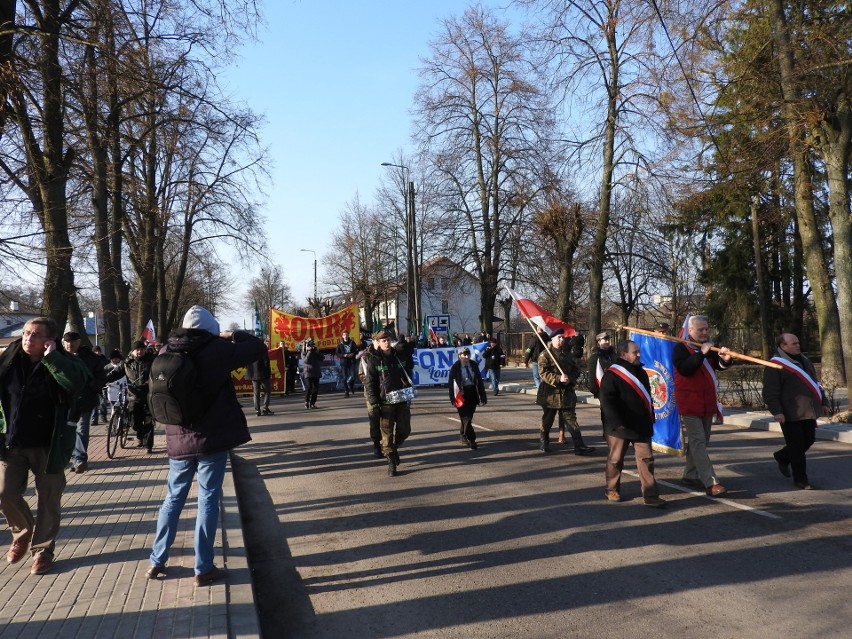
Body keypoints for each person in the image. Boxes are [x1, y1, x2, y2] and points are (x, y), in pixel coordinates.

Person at [146, 305, 266, 586]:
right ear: (211, 329)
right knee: (208, 499)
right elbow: (257, 347)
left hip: (177, 438)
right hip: (211, 438)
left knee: (173, 499)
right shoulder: (217, 349)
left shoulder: (166, 350)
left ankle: (157, 560)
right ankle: (203, 567)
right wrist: (233, 334)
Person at [0, 317, 89, 575]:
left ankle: (43, 551)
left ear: (49, 340)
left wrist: (52, 359)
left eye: (36, 335)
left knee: (48, 499)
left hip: (49, 444)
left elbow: (75, 384)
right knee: (5, 494)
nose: (28, 338)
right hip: (12, 441)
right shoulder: (9, 359)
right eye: (26, 333)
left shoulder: (64, 361)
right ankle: (23, 533)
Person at [599, 340, 666, 507]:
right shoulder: (612, 374)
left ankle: (650, 494)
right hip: (619, 426)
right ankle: (612, 488)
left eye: (638, 351)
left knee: (646, 459)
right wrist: (616, 423)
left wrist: (650, 416)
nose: (639, 354)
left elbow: (647, 398)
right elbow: (607, 401)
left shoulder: (641, 372)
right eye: (635, 352)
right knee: (615, 460)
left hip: (641, 424)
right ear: (623, 354)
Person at [673, 315, 733, 497]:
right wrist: (701, 354)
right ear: (690, 331)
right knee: (698, 441)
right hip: (689, 403)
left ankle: (690, 474)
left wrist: (726, 359)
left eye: (707, 329)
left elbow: (719, 366)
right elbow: (685, 369)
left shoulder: (710, 346)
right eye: (701, 330)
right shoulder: (680, 348)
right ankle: (711, 481)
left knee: (701, 441)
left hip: (707, 403)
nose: (705, 332)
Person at [762, 333, 828, 490]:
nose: (798, 345)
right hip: (789, 412)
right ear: (782, 346)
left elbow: (815, 383)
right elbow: (770, 392)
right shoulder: (775, 365)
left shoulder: (804, 360)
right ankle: (801, 479)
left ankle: (782, 456)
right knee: (797, 446)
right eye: (793, 343)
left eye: (798, 342)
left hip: (808, 410)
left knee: (809, 439)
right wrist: (777, 411)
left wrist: (823, 402)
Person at [536, 328, 595, 455]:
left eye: (563, 337)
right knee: (547, 420)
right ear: (552, 339)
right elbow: (543, 373)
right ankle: (544, 442)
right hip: (551, 395)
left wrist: (571, 379)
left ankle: (579, 446)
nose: (562, 339)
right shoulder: (545, 354)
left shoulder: (567, 354)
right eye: (559, 337)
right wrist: (558, 378)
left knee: (571, 419)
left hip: (566, 393)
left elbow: (576, 370)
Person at [364, 329, 413, 476]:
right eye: (383, 341)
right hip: (385, 402)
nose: (386, 343)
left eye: (388, 340)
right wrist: (374, 402)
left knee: (405, 430)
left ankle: (394, 448)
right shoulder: (373, 360)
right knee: (386, 434)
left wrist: (406, 347)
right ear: (378, 343)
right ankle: (391, 461)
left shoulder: (398, 355)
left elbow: (409, 365)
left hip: (401, 398)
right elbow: (370, 384)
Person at [62, 331, 107, 473]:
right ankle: (68, 457)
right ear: (64, 343)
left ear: (79, 342)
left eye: (73, 341)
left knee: (82, 430)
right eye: (67, 341)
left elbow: (101, 377)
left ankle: (80, 459)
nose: (70, 344)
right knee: (66, 431)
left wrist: (90, 387)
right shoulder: (59, 357)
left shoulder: (91, 358)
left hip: (85, 400)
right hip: (64, 402)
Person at [106, 339, 156, 452]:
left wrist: (147, 385)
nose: (139, 351)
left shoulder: (151, 361)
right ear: (132, 351)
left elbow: (155, 376)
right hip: (133, 396)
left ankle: (148, 445)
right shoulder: (127, 363)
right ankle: (140, 435)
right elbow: (116, 373)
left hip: (148, 395)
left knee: (149, 421)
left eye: (141, 349)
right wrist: (105, 379)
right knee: (134, 422)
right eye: (137, 349)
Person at [447, 346, 487, 449]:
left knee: (468, 416)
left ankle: (462, 434)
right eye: (464, 355)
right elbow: (451, 384)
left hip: (472, 393)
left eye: (468, 354)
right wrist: (452, 398)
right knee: (466, 417)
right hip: (461, 395)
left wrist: (483, 396)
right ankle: (472, 439)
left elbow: (479, 381)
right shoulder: (455, 367)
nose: (466, 356)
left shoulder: (474, 365)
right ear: (459, 356)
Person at [358, 340, 383, 458]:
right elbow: (361, 374)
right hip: (371, 393)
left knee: (388, 419)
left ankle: (388, 444)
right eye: (379, 340)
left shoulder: (387, 354)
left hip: (386, 392)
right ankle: (376, 445)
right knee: (374, 419)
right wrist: (372, 384)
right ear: (374, 341)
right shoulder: (366, 356)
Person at [587, 332, 617, 400]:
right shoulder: (595, 357)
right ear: (599, 342)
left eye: (608, 340)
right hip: (603, 390)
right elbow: (592, 376)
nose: (607, 341)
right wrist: (596, 392)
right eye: (605, 340)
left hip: (615, 389)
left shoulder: (613, 355)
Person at [246, 349, 273, 416]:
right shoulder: (262, 352)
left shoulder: (250, 353)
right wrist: (269, 373)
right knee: (267, 391)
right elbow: (266, 363)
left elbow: (246, 364)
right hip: (263, 375)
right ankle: (265, 408)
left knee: (256, 393)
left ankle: (257, 410)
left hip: (253, 375)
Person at [301, 338, 324, 409]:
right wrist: (309, 352)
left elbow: (322, 358)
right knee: (308, 387)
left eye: (312, 345)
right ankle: (306, 402)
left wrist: (317, 352)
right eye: (310, 345)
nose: (312, 347)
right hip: (308, 372)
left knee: (315, 389)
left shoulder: (315, 351)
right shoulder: (304, 352)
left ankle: (312, 403)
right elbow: (306, 361)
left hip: (316, 372)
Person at [335, 330, 358, 397]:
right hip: (344, 362)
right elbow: (337, 353)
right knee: (344, 377)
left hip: (351, 361)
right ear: (342, 336)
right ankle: (346, 391)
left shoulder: (352, 342)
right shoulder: (340, 344)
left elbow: (356, 351)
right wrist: (344, 355)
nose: (346, 336)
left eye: (347, 335)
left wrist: (353, 354)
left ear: (348, 335)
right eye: (344, 335)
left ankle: (351, 385)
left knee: (353, 376)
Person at [90, 345, 109, 425]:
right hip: (94, 384)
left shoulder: (104, 360)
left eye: (99, 351)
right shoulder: (90, 360)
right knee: (94, 403)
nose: (97, 352)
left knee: (103, 402)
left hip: (102, 384)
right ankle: (94, 419)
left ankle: (103, 416)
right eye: (96, 351)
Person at [104, 349, 126, 414]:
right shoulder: (107, 368)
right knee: (113, 407)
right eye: (113, 358)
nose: (115, 360)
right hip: (112, 389)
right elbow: (104, 378)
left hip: (123, 389)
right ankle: (113, 420)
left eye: (117, 358)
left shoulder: (123, 366)